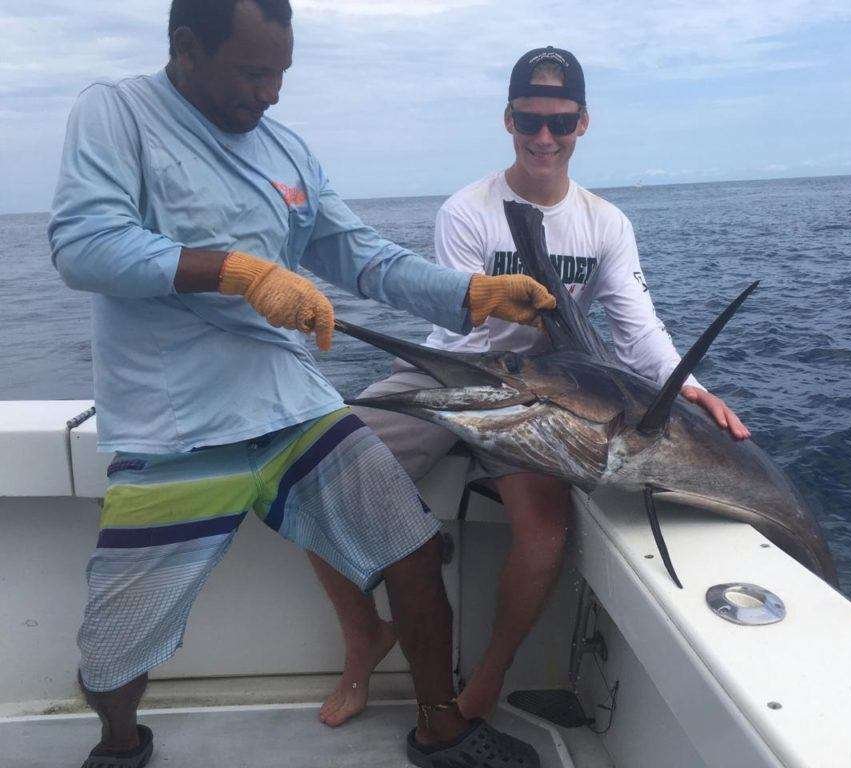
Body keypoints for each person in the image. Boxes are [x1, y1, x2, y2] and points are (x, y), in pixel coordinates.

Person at [47, 2, 556, 767]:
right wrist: (236, 271)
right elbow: (83, 244)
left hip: (290, 405)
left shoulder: (285, 150)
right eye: (253, 73)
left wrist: (472, 295)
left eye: (281, 73)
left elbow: (364, 256)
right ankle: (119, 744)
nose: (271, 94)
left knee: (412, 545)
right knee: (118, 642)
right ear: (186, 48)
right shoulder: (115, 112)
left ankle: (439, 728)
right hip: (174, 425)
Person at [309, 46, 752, 728]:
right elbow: (457, 333)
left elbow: (639, 329)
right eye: (529, 120)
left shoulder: (606, 224)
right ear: (508, 119)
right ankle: (364, 636)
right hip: (462, 373)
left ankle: (485, 683)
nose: (544, 137)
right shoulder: (468, 210)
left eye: (560, 121)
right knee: (314, 471)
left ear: (582, 123)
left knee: (544, 530)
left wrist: (684, 386)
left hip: (552, 398)